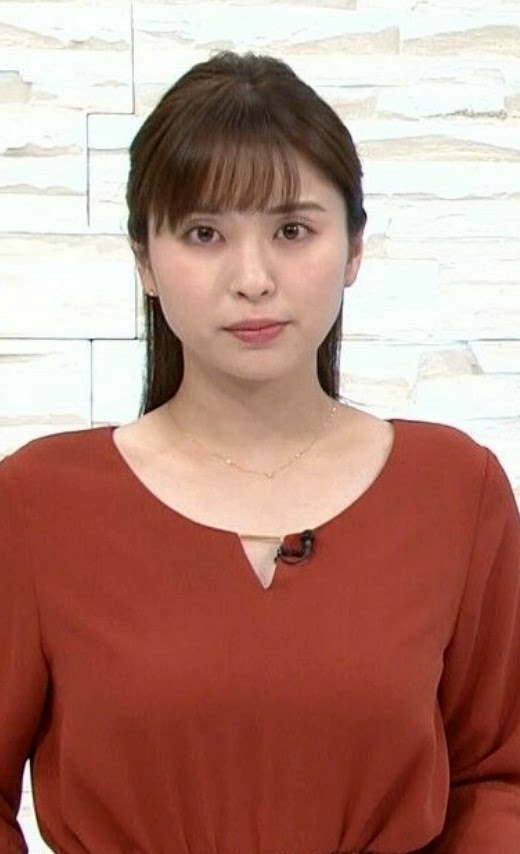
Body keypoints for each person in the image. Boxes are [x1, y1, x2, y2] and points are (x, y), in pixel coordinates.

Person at [1, 50, 519, 854]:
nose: (253, 278)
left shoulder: (455, 489)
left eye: (291, 230)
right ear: (144, 260)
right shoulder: (39, 502)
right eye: (204, 233)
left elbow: (496, 782)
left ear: (353, 249)